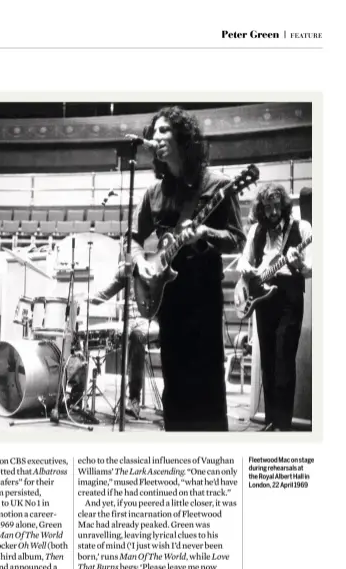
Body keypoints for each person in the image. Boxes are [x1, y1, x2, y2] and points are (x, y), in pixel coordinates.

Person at [131, 106, 245, 431]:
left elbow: (236, 238)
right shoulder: (153, 193)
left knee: (206, 387)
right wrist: (142, 263)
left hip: (203, 297)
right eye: (154, 133)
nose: (157, 138)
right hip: (169, 299)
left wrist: (205, 233)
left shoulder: (218, 184)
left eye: (165, 131)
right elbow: (134, 239)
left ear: (184, 137)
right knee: (175, 388)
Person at [237, 183, 312, 431]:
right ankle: (270, 421)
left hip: (289, 297)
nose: (272, 212)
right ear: (261, 209)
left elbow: (310, 270)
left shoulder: (302, 228)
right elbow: (244, 263)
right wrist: (247, 277)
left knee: (283, 358)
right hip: (262, 298)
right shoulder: (257, 230)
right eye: (267, 207)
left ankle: (283, 424)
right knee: (268, 361)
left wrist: (299, 263)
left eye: (276, 206)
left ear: (284, 205)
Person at [87, 281, 159, 418]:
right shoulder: (125, 269)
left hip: (150, 322)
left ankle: (134, 399)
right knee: (110, 334)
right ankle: (78, 394)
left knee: (136, 336)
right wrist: (87, 297)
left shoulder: (154, 267)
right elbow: (105, 293)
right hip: (129, 323)